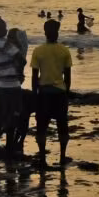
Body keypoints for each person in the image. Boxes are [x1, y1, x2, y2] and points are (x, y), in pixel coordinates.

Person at [31, 19, 72, 166]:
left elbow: (34, 76)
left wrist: (34, 94)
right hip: (60, 93)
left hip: (44, 93)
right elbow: (68, 77)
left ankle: (42, 157)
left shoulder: (38, 51)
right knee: (62, 126)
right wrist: (67, 93)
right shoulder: (64, 50)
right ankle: (62, 156)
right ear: (57, 33)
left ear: (45, 33)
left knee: (41, 127)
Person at [0, 21, 28, 160]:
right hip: (12, 86)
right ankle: (9, 148)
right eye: (3, 27)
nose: (6, 30)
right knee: (13, 115)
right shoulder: (5, 44)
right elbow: (22, 60)